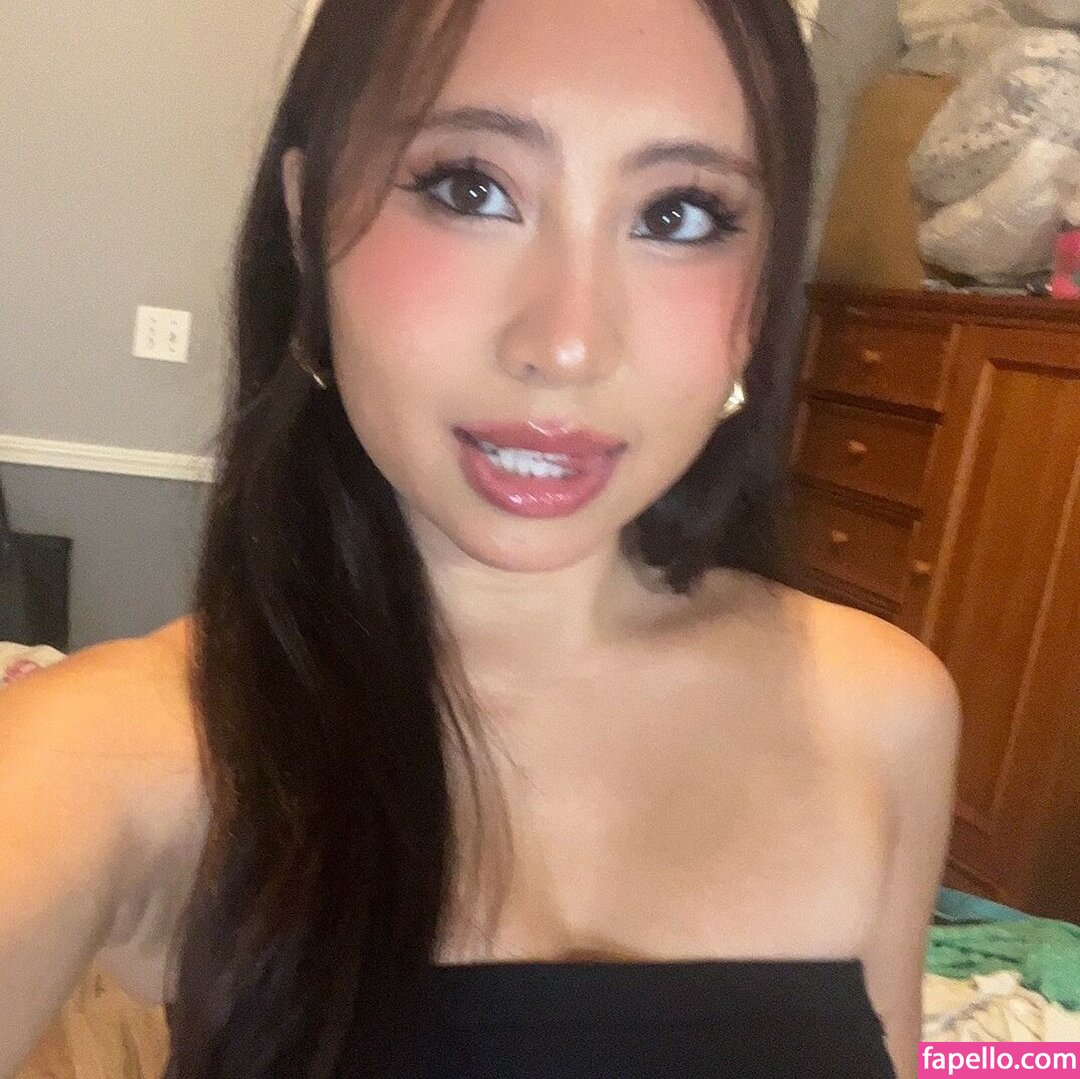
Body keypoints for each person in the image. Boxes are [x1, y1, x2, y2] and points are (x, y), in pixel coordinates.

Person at [0, 0, 961, 1076]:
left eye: (680, 213)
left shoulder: (881, 710)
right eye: (470, 188)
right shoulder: (128, 750)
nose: (568, 343)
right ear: (309, 224)